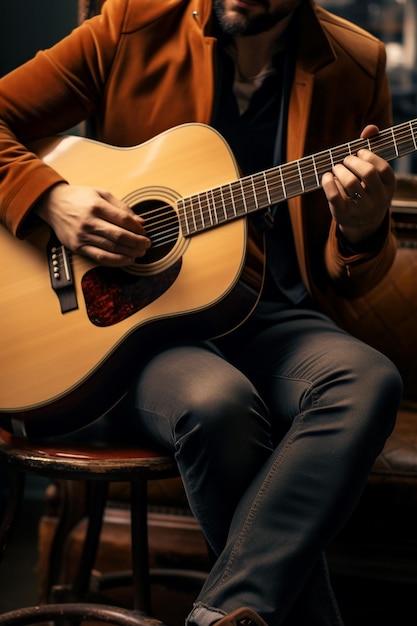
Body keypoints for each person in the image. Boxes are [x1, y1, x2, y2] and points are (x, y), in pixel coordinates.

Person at [0, 0, 404, 624]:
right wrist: (50, 197)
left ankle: (222, 613)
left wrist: (362, 227)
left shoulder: (355, 64)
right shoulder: (132, 22)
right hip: (137, 331)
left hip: (269, 315)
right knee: (218, 403)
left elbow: (351, 278)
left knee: (368, 379)